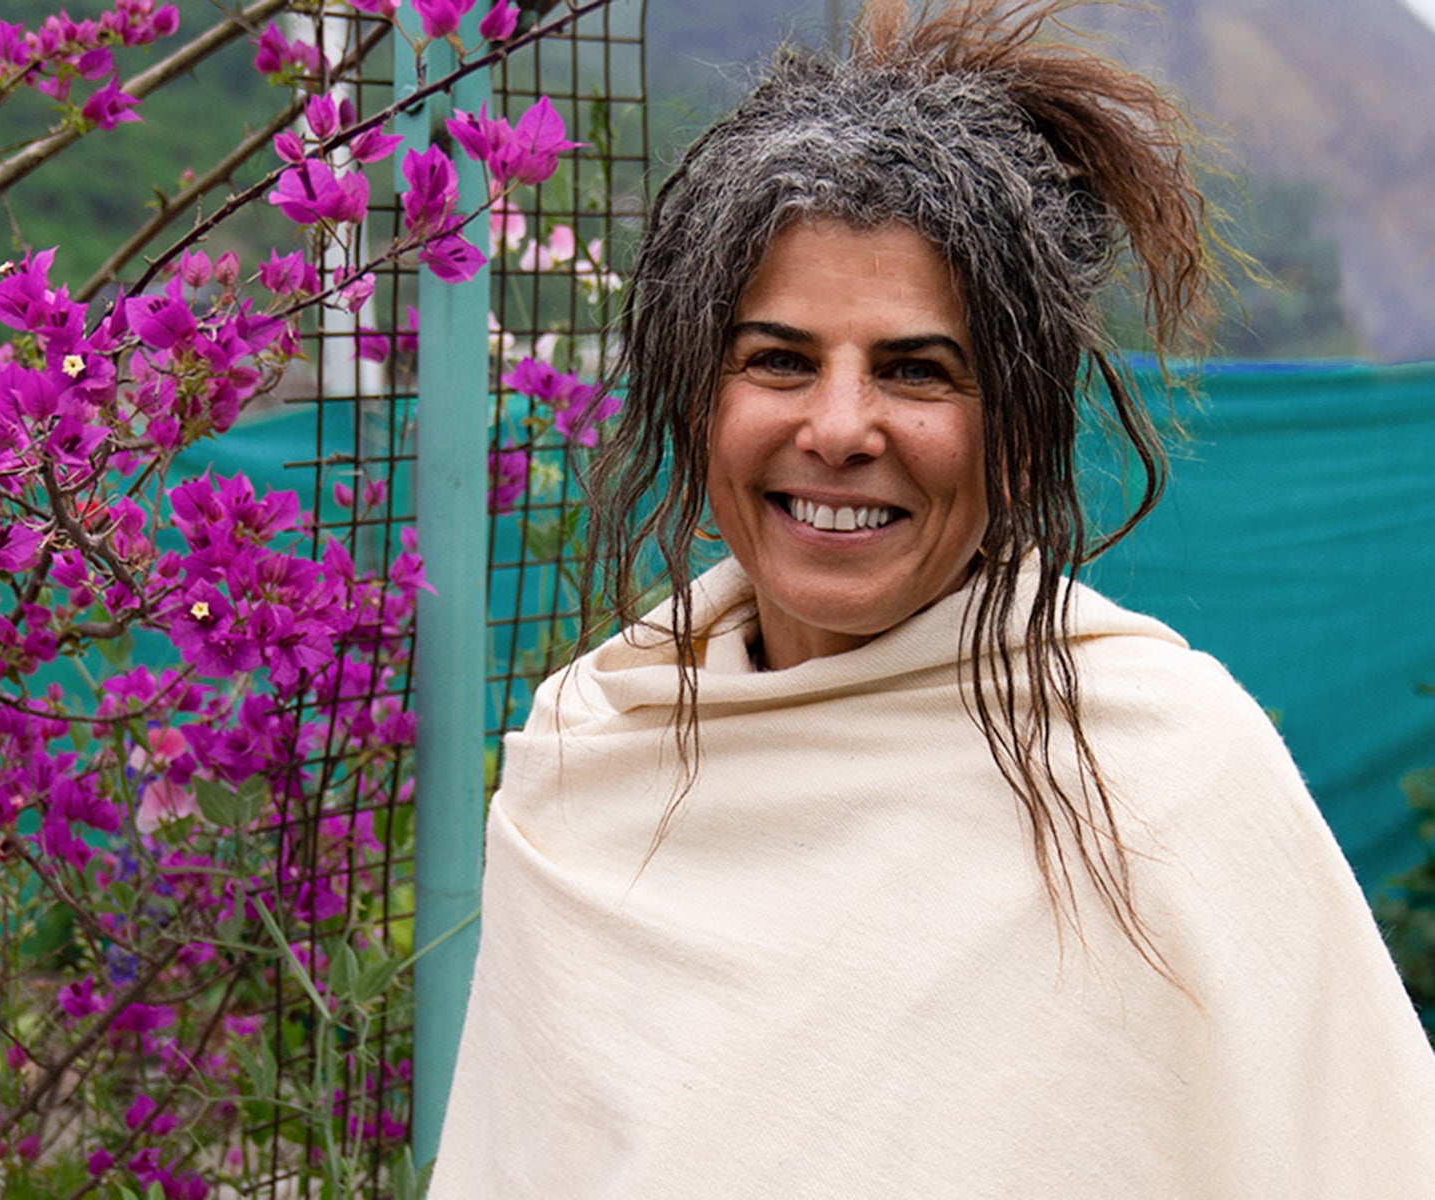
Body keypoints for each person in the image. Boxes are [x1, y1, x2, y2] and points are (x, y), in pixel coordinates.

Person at [430, 2, 1435, 1194]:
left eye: (916, 371)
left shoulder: (1158, 771)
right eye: (779, 359)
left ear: (1015, 432)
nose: (840, 427)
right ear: (704, 400)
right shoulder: (594, 758)